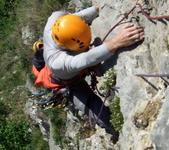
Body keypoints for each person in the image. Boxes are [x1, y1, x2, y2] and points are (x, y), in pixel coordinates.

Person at [33, 5, 144, 141]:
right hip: (67, 82)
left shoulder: (57, 19)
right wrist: (117, 42)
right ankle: (117, 135)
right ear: (67, 46)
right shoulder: (58, 62)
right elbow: (87, 59)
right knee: (101, 115)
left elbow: (78, 18)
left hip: (70, 64)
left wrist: (98, 8)